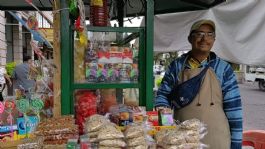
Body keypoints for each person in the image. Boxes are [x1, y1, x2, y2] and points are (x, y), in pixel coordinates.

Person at [155, 19, 243, 149]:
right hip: (182, 140)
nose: (204, 39)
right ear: (190, 38)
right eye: (199, 34)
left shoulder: (223, 69)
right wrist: (167, 126)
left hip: (216, 138)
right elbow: (163, 95)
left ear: (214, 39)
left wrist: (236, 145)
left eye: (209, 35)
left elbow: (234, 109)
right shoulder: (177, 65)